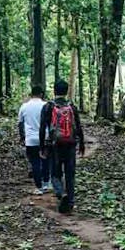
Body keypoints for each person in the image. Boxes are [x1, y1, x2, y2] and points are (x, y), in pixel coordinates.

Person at [39, 79, 85, 214]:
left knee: (55, 173)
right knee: (70, 174)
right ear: (66, 91)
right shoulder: (72, 106)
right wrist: (81, 143)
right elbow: (78, 126)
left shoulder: (48, 106)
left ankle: (60, 192)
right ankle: (70, 203)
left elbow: (42, 128)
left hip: (54, 145)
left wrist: (42, 146)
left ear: (54, 91)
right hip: (70, 144)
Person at [17, 84, 50, 194]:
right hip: (45, 138)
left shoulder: (24, 106)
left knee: (35, 162)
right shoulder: (46, 105)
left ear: (31, 94)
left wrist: (22, 137)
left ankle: (39, 187)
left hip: (30, 139)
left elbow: (20, 124)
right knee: (45, 161)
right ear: (41, 94)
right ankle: (46, 184)